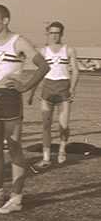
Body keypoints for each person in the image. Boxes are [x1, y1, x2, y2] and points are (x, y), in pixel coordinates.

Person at [0, 4, 50, 214]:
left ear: (5, 20)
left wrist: (25, 86)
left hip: (10, 99)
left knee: (14, 147)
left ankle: (16, 198)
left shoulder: (19, 41)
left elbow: (43, 65)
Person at [29, 21, 79, 170]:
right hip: (48, 91)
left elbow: (75, 71)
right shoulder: (44, 52)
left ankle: (62, 150)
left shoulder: (69, 50)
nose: (54, 35)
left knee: (63, 125)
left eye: (57, 33)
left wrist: (73, 89)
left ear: (62, 34)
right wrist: (32, 93)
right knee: (46, 126)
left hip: (63, 90)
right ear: (48, 34)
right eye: (51, 33)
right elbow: (38, 73)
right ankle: (46, 157)